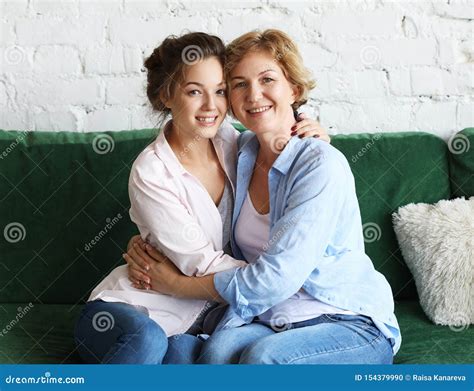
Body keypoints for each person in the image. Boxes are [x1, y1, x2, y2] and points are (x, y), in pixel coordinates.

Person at [126, 29, 401, 364]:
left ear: (294, 89)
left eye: (267, 79)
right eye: (239, 84)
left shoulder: (320, 164)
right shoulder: (237, 153)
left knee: (263, 360)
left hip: (343, 317)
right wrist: (149, 239)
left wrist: (177, 285)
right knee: (214, 355)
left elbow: (276, 278)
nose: (253, 95)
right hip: (270, 316)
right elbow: (200, 218)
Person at [73, 31, 327, 364]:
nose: (211, 107)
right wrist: (278, 277)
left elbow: (280, 141)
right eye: (194, 91)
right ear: (167, 95)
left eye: (220, 91)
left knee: (185, 356)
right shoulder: (151, 172)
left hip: (201, 320)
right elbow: (200, 264)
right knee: (147, 340)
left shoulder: (235, 144)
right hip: (133, 307)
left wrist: (310, 129)